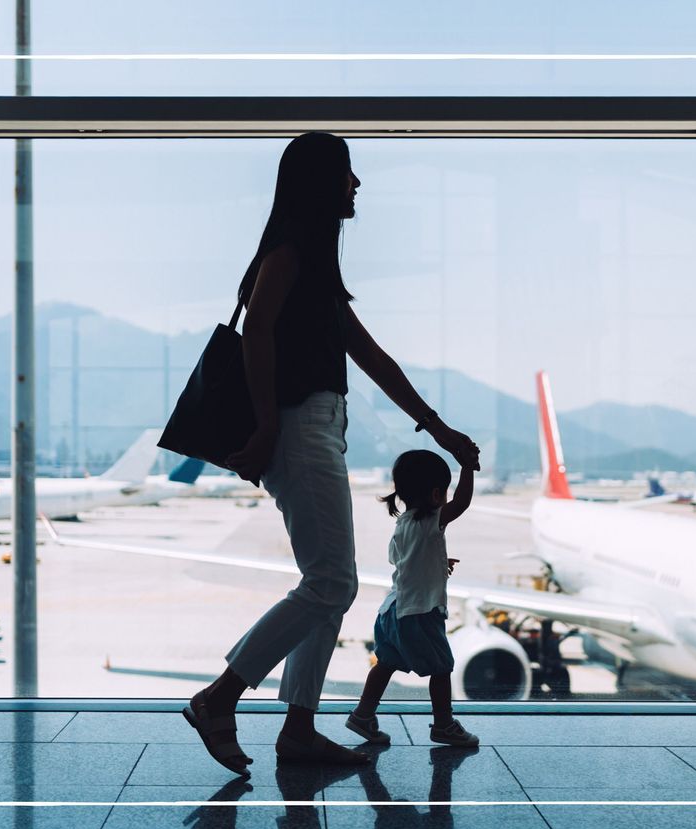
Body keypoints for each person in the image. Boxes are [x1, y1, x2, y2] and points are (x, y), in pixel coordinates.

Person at [183, 132, 481, 776]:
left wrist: (439, 429)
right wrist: (265, 426)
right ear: (321, 183)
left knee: (329, 584)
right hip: (297, 425)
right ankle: (219, 698)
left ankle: (297, 730)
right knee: (332, 582)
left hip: (316, 424)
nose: (357, 184)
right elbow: (257, 329)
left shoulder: (311, 263)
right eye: (347, 173)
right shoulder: (289, 252)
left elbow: (373, 359)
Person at [345, 449, 480, 748]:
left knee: (386, 663)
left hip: (392, 611)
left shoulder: (403, 524)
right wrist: (467, 467)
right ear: (435, 494)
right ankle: (443, 725)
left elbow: (403, 560)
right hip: (420, 612)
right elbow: (462, 503)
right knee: (442, 668)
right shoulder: (433, 520)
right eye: (444, 490)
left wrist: (437, 560)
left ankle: (362, 714)